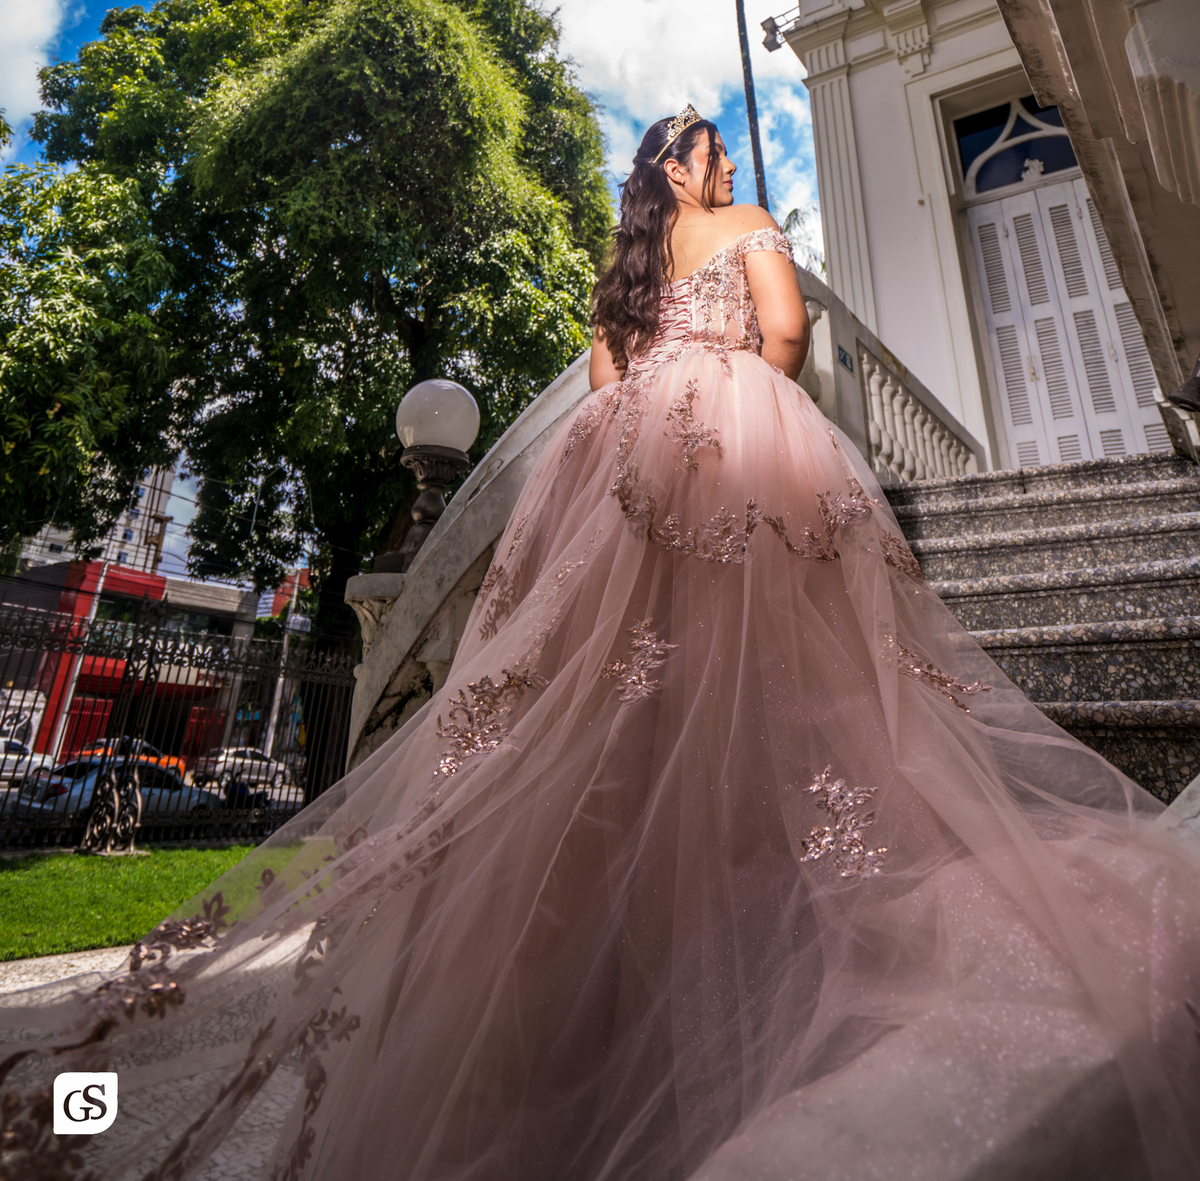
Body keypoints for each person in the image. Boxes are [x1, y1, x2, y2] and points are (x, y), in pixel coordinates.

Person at [4, 107, 1200, 1181]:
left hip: (619, 468)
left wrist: (661, 406)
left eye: (721, 150)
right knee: (775, 685)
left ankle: (589, 997)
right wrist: (735, 391)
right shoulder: (746, 223)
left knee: (606, 708)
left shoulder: (623, 273)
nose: (725, 159)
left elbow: (600, 380)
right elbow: (783, 337)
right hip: (731, 451)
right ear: (680, 171)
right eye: (710, 147)